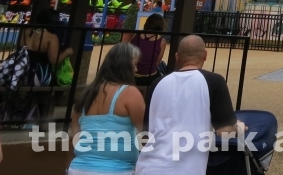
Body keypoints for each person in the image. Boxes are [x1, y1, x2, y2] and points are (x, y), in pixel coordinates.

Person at [135, 35, 243, 175]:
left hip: (148, 167)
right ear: (205, 55)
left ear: (177, 57)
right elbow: (225, 132)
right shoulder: (214, 81)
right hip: (185, 169)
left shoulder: (157, 83)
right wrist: (239, 127)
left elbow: (146, 134)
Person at [68, 42, 146, 175]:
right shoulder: (130, 93)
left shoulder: (86, 94)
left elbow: (75, 138)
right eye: (134, 64)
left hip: (78, 168)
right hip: (117, 169)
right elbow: (146, 134)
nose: (136, 69)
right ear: (124, 65)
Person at [19, 8, 75, 85]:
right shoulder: (51, 37)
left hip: (22, 70)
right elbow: (54, 60)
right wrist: (67, 52)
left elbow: (21, 48)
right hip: (40, 74)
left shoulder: (27, 31)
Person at [123, 13, 167, 87]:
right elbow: (157, 62)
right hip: (150, 76)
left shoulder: (135, 35)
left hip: (132, 74)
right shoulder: (162, 41)